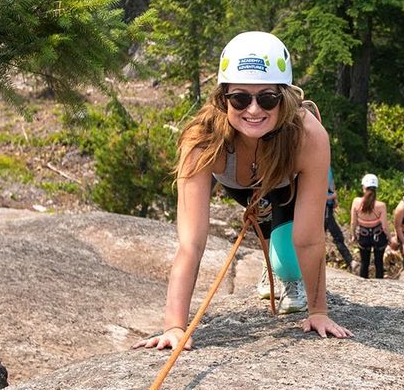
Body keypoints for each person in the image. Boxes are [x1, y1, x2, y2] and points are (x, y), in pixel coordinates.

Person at [133, 31, 353, 351]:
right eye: (240, 98)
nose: (253, 109)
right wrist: (175, 326)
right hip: (242, 187)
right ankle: (273, 262)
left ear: (284, 97)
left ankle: (280, 271)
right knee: (277, 250)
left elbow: (309, 238)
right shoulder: (202, 141)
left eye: (266, 98)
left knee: (289, 264)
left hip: (285, 186)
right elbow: (191, 242)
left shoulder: (308, 136)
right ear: (223, 98)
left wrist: (318, 311)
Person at [350, 174, 390, 279]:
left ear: (363, 187)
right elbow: (385, 226)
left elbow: (353, 222)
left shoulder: (356, 202)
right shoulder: (381, 206)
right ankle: (380, 285)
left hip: (363, 235)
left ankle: (363, 284)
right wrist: (390, 238)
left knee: (364, 262)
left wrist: (353, 235)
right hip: (378, 235)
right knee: (379, 263)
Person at [325, 166, 355, 268]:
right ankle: (350, 260)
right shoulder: (318, 167)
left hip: (328, 208)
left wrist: (334, 199)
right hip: (322, 209)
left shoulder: (328, 168)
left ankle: (350, 261)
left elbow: (332, 185)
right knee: (336, 235)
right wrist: (332, 197)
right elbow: (317, 195)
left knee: (337, 236)